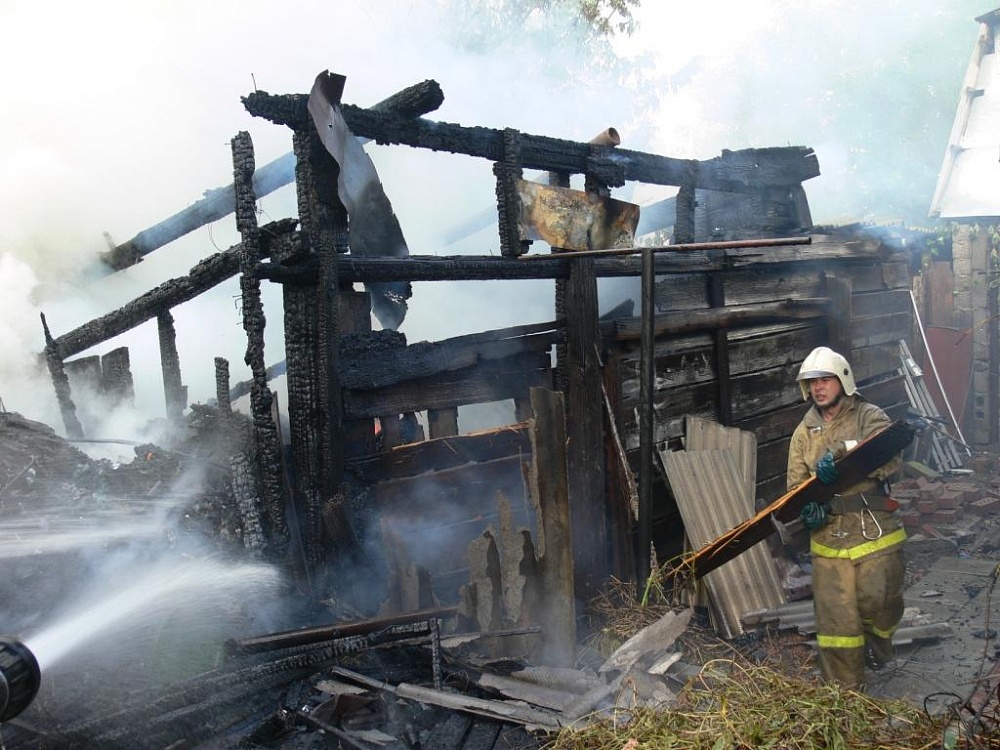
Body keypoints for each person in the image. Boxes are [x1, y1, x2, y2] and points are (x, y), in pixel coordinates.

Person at [787, 346, 905, 690]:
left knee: (880, 605)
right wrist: (807, 510)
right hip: (828, 542)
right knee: (837, 626)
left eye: (825, 379)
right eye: (812, 382)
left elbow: (888, 450)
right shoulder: (802, 433)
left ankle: (877, 647)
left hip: (875, 533)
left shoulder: (867, 415)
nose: (818, 388)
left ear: (843, 380)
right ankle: (845, 696)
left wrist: (841, 454)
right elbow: (795, 488)